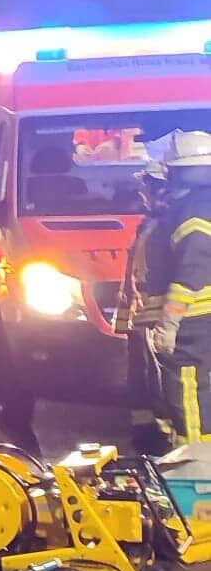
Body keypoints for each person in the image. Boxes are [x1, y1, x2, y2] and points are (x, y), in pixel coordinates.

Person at [114, 160, 174, 454]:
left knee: (160, 383)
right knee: (142, 381)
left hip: (157, 320)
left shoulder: (168, 224)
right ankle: (145, 433)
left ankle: (163, 438)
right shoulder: (149, 224)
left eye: (147, 186)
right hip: (142, 320)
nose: (142, 193)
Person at [155, 131, 211, 446]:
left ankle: (197, 462)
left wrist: (171, 319)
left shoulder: (194, 209)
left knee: (189, 387)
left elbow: (194, 263)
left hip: (198, 318)